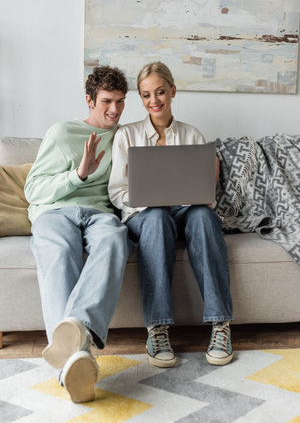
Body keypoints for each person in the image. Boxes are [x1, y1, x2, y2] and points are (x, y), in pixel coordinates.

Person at [108, 61, 233, 368]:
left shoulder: (192, 134)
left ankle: (221, 326)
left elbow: (204, 196)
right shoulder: (126, 135)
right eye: (147, 94)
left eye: (160, 92)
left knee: (204, 217)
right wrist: (150, 202)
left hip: (185, 211)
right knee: (156, 217)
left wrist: (207, 188)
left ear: (173, 91)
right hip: (146, 215)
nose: (154, 101)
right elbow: (117, 192)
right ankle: (157, 329)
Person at [25, 66, 132, 403]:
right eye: (106, 102)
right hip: (55, 211)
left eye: (120, 102)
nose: (114, 110)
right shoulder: (62, 132)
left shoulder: (125, 137)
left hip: (100, 214)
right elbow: (33, 189)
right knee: (58, 251)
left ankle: (76, 338)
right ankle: (73, 362)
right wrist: (78, 175)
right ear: (89, 100)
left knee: (116, 238)